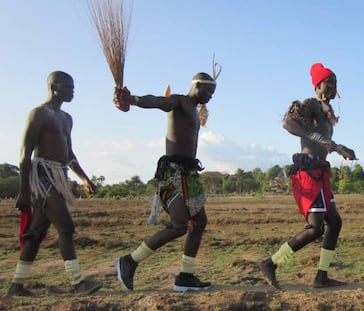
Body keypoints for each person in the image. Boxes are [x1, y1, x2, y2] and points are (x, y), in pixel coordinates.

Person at [113, 70, 219, 292]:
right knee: (180, 225)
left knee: (199, 222)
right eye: (209, 91)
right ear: (197, 85)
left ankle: (185, 277)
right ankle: (129, 261)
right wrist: (133, 100)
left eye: (213, 92)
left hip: (188, 174)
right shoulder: (179, 101)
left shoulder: (194, 111)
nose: (210, 96)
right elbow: (158, 102)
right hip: (173, 173)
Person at [259, 63, 357, 289]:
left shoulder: (325, 113)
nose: (332, 89)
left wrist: (342, 149)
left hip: (320, 172)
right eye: (328, 84)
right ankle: (270, 263)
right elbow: (288, 123)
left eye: (335, 85)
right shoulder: (310, 105)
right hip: (308, 173)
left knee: (335, 221)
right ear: (318, 85)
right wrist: (315, 136)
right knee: (316, 228)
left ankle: (321, 277)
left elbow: (324, 142)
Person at [7, 71, 102, 296]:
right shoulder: (39, 114)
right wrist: (25, 191)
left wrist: (84, 177)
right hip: (42, 176)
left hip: (59, 175)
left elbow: (69, 153)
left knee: (37, 233)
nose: (73, 91)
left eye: (73, 87)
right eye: (68, 87)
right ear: (54, 86)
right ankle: (78, 283)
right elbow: (24, 154)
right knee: (67, 227)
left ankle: (16, 286)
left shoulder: (66, 118)